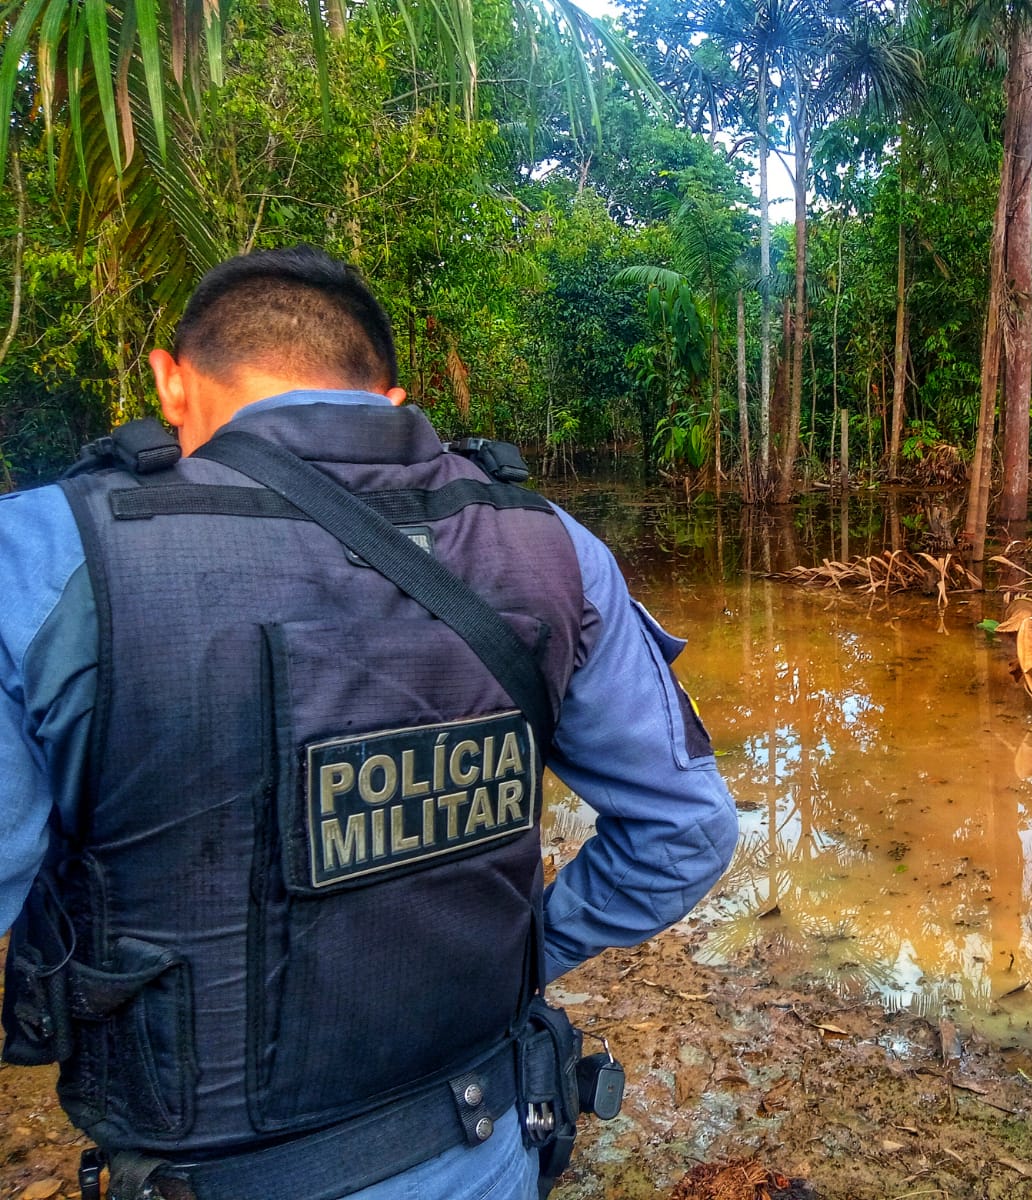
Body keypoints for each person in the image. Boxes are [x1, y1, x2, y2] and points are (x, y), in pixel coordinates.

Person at [0, 245, 739, 1200]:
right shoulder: (556, 550)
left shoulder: (45, 559)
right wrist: (528, 953)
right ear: (391, 400)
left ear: (170, 382)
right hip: (485, 1144)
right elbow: (687, 829)